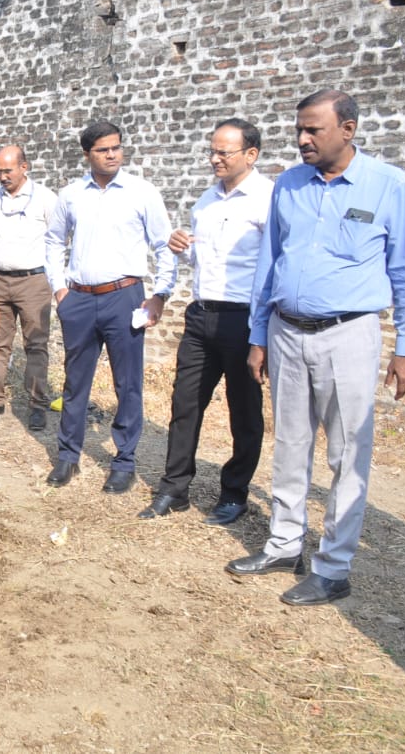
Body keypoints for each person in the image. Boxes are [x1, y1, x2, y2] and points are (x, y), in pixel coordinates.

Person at [227, 90, 405, 606]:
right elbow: (270, 263)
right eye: (299, 129)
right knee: (290, 444)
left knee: (346, 452)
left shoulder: (387, 185)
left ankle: (333, 567)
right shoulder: (290, 184)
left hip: (348, 335)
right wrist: (257, 334)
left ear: (349, 129)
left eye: (313, 130)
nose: (302, 139)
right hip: (286, 333)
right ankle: (284, 543)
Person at [140, 119, 272, 524]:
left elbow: (273, 265)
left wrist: (263, 331)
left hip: (244, 318)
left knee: (243, 410)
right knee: (185, 404)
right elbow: (203, 259)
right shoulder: (206, 201)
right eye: (212, 151)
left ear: (251, 154)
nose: (215, 158)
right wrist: (184, 249)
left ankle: (234, 494)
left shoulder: (270, 199)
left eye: (224, 152)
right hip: (201, 315)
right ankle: (175, 487)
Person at [45, 121, 176, 493]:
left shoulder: (141, 192)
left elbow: (164, 245)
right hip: (80, 299)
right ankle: (68, 457)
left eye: (117, 147)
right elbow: (53, 242)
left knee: (127, 383)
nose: (113, 154)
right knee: (75, 383)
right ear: (87, 154)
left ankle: (124, 461)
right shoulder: (71, 195)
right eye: (104, 149)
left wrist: (161, 294)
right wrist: (59, 291)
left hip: (125, 296)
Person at [0, 145, 58, 430]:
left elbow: (59, 239)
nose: (2, 176)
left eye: (7, 170)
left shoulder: (46, 199)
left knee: (36, 344)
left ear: (25, 167)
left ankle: (36, 404)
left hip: (34, 282)